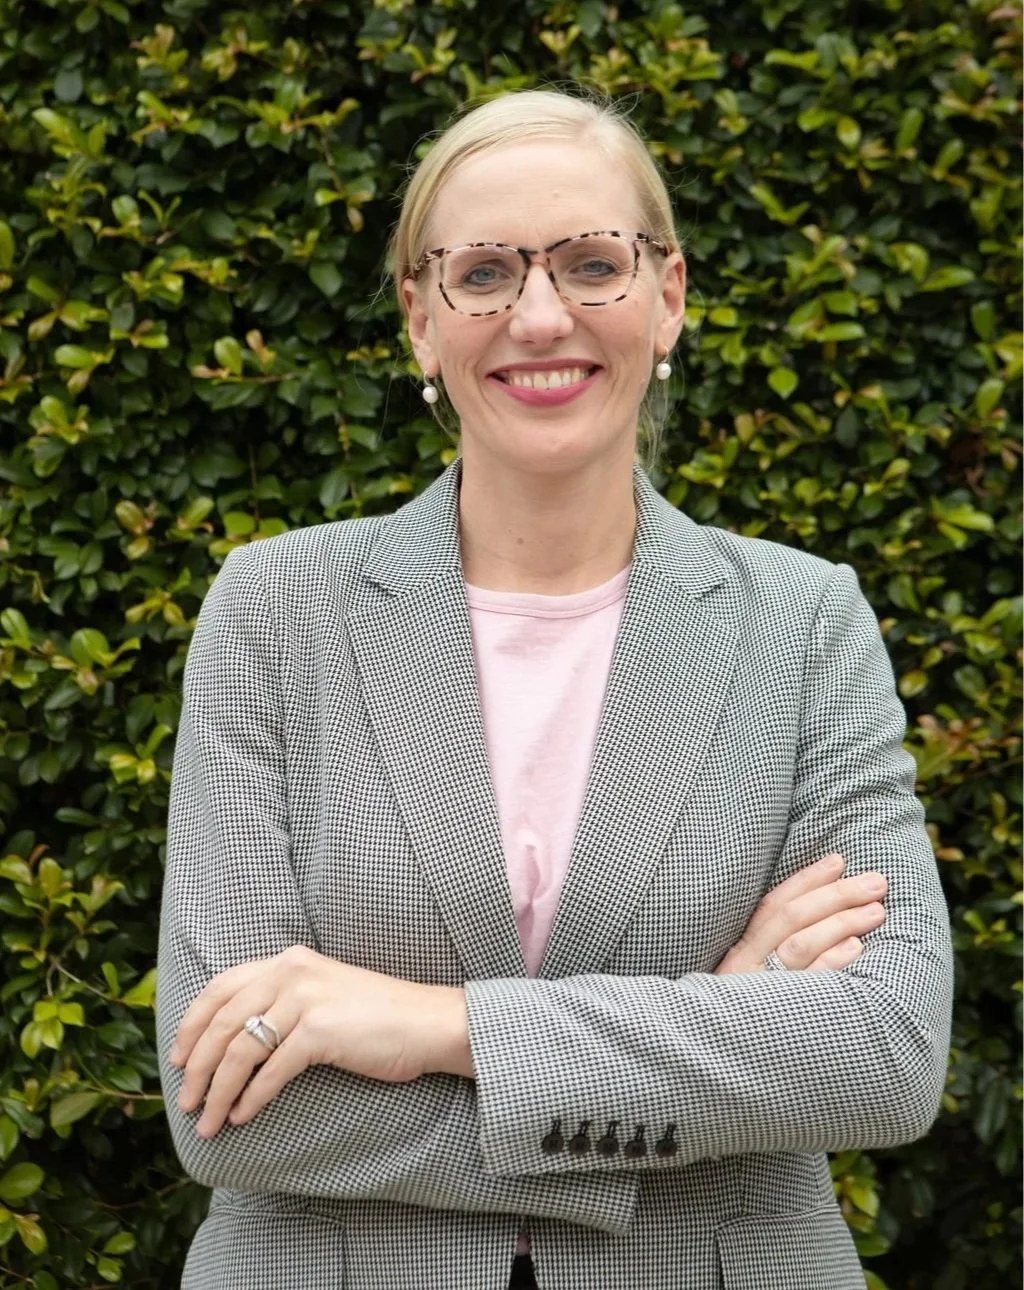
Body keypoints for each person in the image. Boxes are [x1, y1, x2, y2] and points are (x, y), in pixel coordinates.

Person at [156, 89, 953, 1290]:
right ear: (420, 318)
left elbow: (884, 1056)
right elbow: (230, 1107)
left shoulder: (802, 623)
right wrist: (716, 1026)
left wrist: (435, 1028)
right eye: (482, 274)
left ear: (667, 296)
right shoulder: (275, 610)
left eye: (592, 264)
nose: (540, 316)